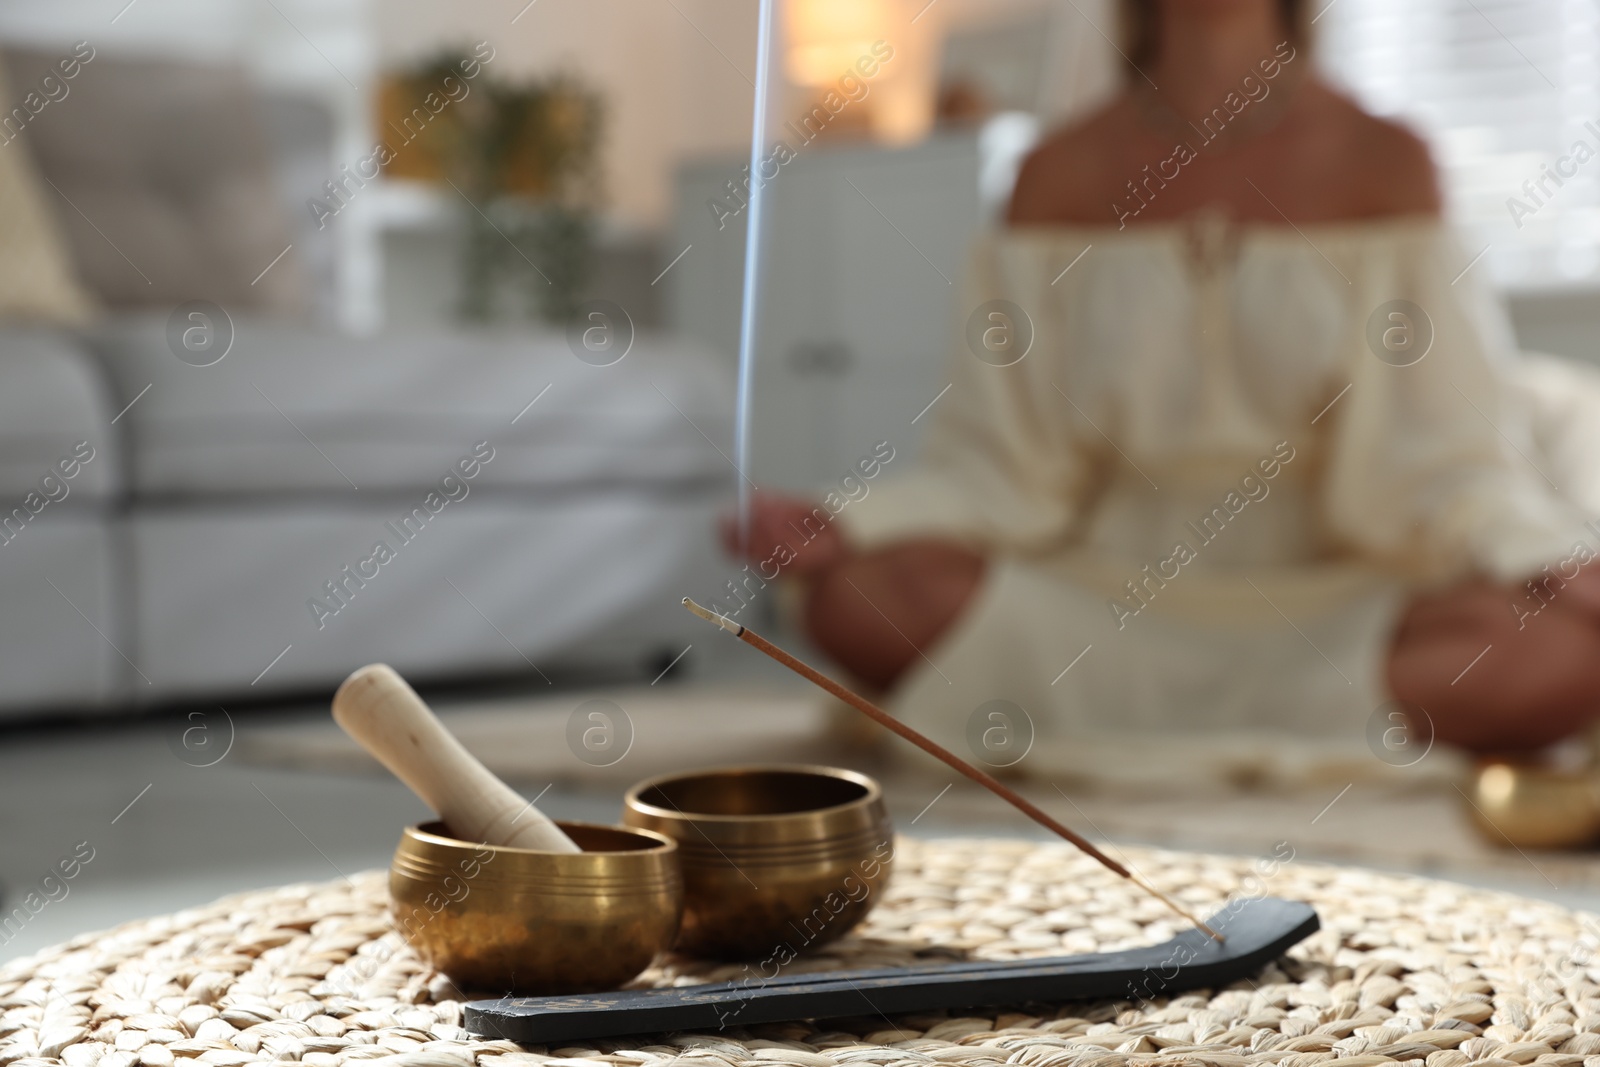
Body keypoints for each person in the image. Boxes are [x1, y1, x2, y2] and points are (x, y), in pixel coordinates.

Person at [725, 0, 1600, 767]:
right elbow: (998, 462)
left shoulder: (1388, 161)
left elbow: (1448, 455)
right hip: (1100, 599)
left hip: (1333, 606)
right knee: (854, 598)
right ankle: (1288, 723)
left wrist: (1551, 557)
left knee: (1562, 651)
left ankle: (1152, 719)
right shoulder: (1051, 176)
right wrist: (846, 522)